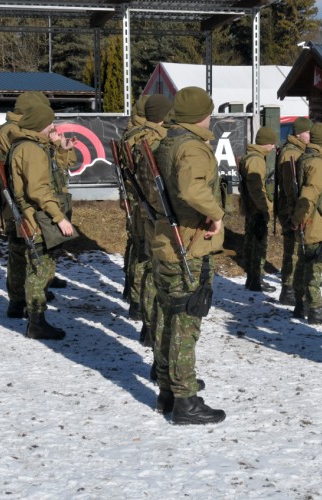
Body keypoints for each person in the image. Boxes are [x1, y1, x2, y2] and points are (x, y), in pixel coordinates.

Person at [150, 86, 225, 425]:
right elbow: (192, 188)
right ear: (201, 114)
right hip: (187, 243)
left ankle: (168, 388)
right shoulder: (193, 147)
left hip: (168, 238)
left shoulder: (168, 141)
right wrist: (216, 213)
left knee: (169, 315)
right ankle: (185, 400)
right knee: (186, 320)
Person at [8, 103, 76, 340]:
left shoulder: (29, 145)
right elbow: (38, 190)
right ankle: (36, 322)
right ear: (39, 124)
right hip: (38, 217)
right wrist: (59, 218)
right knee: (40, 267)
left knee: (41, 264)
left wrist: (60, 147)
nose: (52, 127)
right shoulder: (32, 150)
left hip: (35, 214)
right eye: (49, 123)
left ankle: (36, 319)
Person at [124, 94, 172, 352]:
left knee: (145, 258)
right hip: (152, 208)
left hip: (141, 204)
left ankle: (144, 316)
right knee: (152, 265)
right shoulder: (153, 139)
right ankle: (149, 322)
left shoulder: (133, 135)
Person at [291, 122, 322, 326]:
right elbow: (309, 193)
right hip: (315, 222)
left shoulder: (306, 157)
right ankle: (315, 309)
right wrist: (300, 219)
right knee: (313, 267)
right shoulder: (318, 163)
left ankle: (300, 304)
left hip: (308, 220)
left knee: (304, 264)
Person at [275, 116, 312, 305]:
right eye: (308, 132)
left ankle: (293, 285)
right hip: (290, 208)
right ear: (299, 134)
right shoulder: (292, 154)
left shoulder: (295, 151)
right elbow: (291, 188)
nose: (311, 135)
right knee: (292, 249)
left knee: (295, 248)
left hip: (291, 207)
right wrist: (294, 214)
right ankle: (288, 288)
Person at [121, 94, 151, 321]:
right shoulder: (143, 136)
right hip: (141, 199)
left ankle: (131, 290)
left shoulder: (130, 133)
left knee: (135, 244)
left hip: (133, 198)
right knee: (143, 251)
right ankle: (138, 299)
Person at [240, 126, 278, 292]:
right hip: (256, 209)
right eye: (272, 144)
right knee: (258, 244)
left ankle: (252, 278)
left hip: (251, 207)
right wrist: (264, 209)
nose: (273, 147)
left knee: (251, 242)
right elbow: (256, 189)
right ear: (266, 143)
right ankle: (256, 278)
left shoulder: (252, 156)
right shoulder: (256, 160)